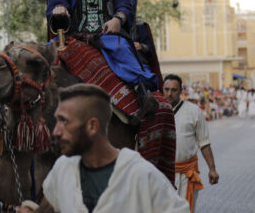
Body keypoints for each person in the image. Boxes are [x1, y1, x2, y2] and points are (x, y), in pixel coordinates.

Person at [17, 83, 189, 213]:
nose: (56, 131)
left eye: (64, 122)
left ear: (92, 126)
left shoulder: (141, 175)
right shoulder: (63, 169)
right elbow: (50, 206)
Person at [163, 75, 218, 213]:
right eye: (167, 89)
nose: (169, 93)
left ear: (181, 90)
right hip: (163, 174)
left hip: (186, 174)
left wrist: (212, 168)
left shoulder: (194, 111)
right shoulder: (156, 111)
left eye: (174, 90)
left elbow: (204, 142)